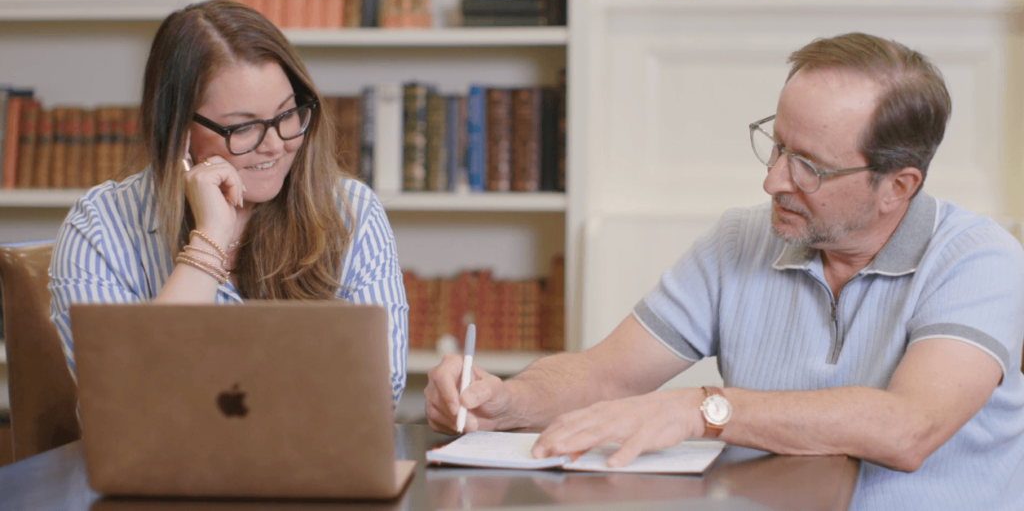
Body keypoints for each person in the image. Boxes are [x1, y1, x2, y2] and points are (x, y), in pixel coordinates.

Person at [425, 32, 1024, 510]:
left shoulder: (979, 260)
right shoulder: (739, 240)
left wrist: (702, 409)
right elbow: (607, 375)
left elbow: (908, 428)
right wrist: (509, 401)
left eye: (809, 167)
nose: (773, 181)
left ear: (898, 186)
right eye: (777, 145)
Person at [50, 0, 408, 406]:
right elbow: (123, 403)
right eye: (244, 127)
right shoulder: (99, 227)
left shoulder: (350, 210)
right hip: (161, 472)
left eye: (287, 114)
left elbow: (379, 389)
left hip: (313, 468)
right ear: (178, 131)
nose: (275, 144)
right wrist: (209, 240)